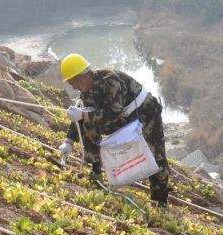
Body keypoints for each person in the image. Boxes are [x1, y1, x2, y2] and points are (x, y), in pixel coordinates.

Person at [57, 53, 171, 207]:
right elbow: (82, 118)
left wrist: (84, 114)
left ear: (81, 77)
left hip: (145, 113)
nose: (74, 87)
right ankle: (95, 169)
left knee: (154, 153)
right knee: (88, 120)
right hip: (124, 115)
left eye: (73, 83)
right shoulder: (87, 91)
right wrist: (69, 141)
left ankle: (160, 199)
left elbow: (112, 114)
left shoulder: (111, 81)